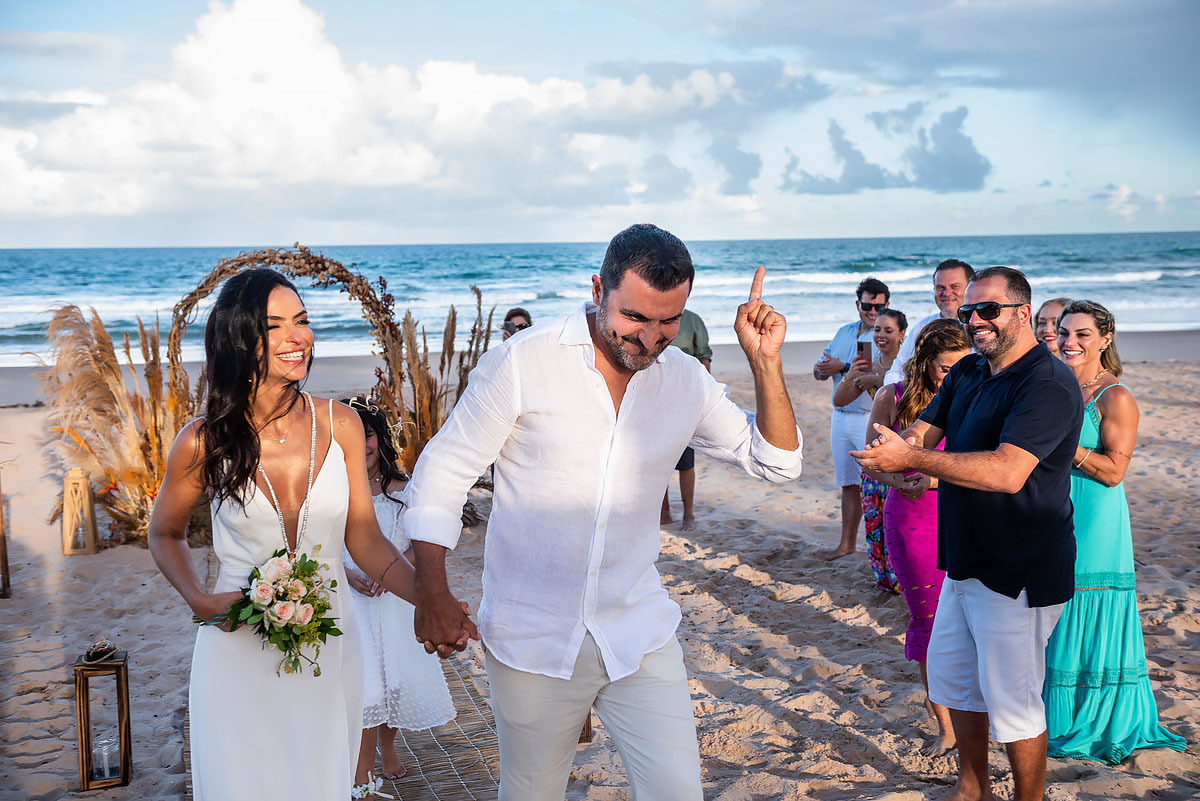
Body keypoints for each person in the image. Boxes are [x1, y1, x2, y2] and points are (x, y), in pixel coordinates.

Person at [405, 224, 803, 801]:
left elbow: (778, 465)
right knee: (531, 792)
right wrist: (432, 594)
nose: (651, 337)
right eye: (636, 318)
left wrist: (766, 364)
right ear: (599, 289)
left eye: (669, 321)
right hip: (531, 638)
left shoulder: (686, 380)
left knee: (677, 793)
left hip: (639, 632)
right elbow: (440, 474)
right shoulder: (522, 363)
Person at [146, 269, 469, 801]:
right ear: (240, 338)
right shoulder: (201, 441)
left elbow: (365, 539)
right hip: (237, 648)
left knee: (321, 782)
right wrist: (199, 598)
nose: (299, 337)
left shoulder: (339, 424)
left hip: (328, 645)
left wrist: (433, 600)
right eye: (276, 325)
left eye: (303, 321)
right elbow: (165, 533)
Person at [851, 266, 1083, 801]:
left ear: (1023, 313)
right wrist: (894, 448)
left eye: (988, 309)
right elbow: (924, 432)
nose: (975, 319)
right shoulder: (968, 372)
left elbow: (1007, 471)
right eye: (967, 311)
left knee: (1014, 700)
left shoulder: (1046, 382)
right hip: (962, 557)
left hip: (1019, 566)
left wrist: (911, 456)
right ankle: (971, 787)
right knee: (956, 679)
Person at [1042, 300, 1185, 764]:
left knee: (1087, 603)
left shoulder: (1115, 396)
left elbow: (1113, 472)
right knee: (1057, 609)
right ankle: (1056, 715)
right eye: (1064, 332)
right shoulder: (1058, 385)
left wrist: (1069, 448)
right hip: (1053, 512)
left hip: (1097, 517)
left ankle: (1099, 719)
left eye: (1083, 334)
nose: (1070, 342)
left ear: (1106, 338)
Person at [863, 318, 971, 756]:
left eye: (963, 365)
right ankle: (945, 725)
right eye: (945, 368)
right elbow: (869, 462)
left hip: (967, 516)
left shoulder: (977, 395)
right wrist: (899, 483)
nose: (954, 375)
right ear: (924, 364)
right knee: (930, 620)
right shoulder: (894, 397)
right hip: (911, 518)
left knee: (972, 622)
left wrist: (934, 482)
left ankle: (970, 709)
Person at [341, 396, 455, 797]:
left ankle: (389, 747)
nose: (362, 446)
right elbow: (320, 543)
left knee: (395, 681)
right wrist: (350, 574)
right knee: (367, 680)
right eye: (351, 438)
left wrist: (394, 571)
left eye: (367, 435)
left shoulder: (403, 488)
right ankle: (362, 772)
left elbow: (421, 541)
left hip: (394, 597)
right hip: (353, 596)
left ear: (379, 439)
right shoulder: (334, 490)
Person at [813, 276, 890, 561]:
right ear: (858, 304)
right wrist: (824, 369)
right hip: (840, 415)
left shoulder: (882, 335)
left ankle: (884, 548)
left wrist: (842, 366)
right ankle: (846, 544)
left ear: (886, 305)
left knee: (878, 482)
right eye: (868, 306)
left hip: (868, 415)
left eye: (877, 307)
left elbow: (874, 375)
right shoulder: (844, 332)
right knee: (848, 482)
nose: (872, 312)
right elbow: (820, 370)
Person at [834, 309, 907, 591]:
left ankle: (902, 575)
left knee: (896, 520)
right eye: (877, 330)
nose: (881, 336)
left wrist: (879, 382)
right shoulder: (868, 367)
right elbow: (839, 400)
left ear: (902, 334)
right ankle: (883, 577)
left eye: (888, 330)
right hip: (872, 448)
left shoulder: (907, 369)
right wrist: (852, 374)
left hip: (898, 452)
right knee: (875, 517)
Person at [661, 307, 713, 531]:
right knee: (656, 458)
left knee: (686, 461)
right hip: (654, 397)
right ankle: (664, 513)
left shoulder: (693, 320)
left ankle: (689, 515)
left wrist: (702, 395)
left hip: (684, 398)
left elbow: (704, 358)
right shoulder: (655, 315)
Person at [883, 260, 974, 386]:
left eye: (954, 287)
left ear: (970, 288)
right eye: (940, 288)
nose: (946, 293)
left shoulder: (980, 327)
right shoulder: (922, 327)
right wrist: (896, 398)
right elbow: (897, 369)